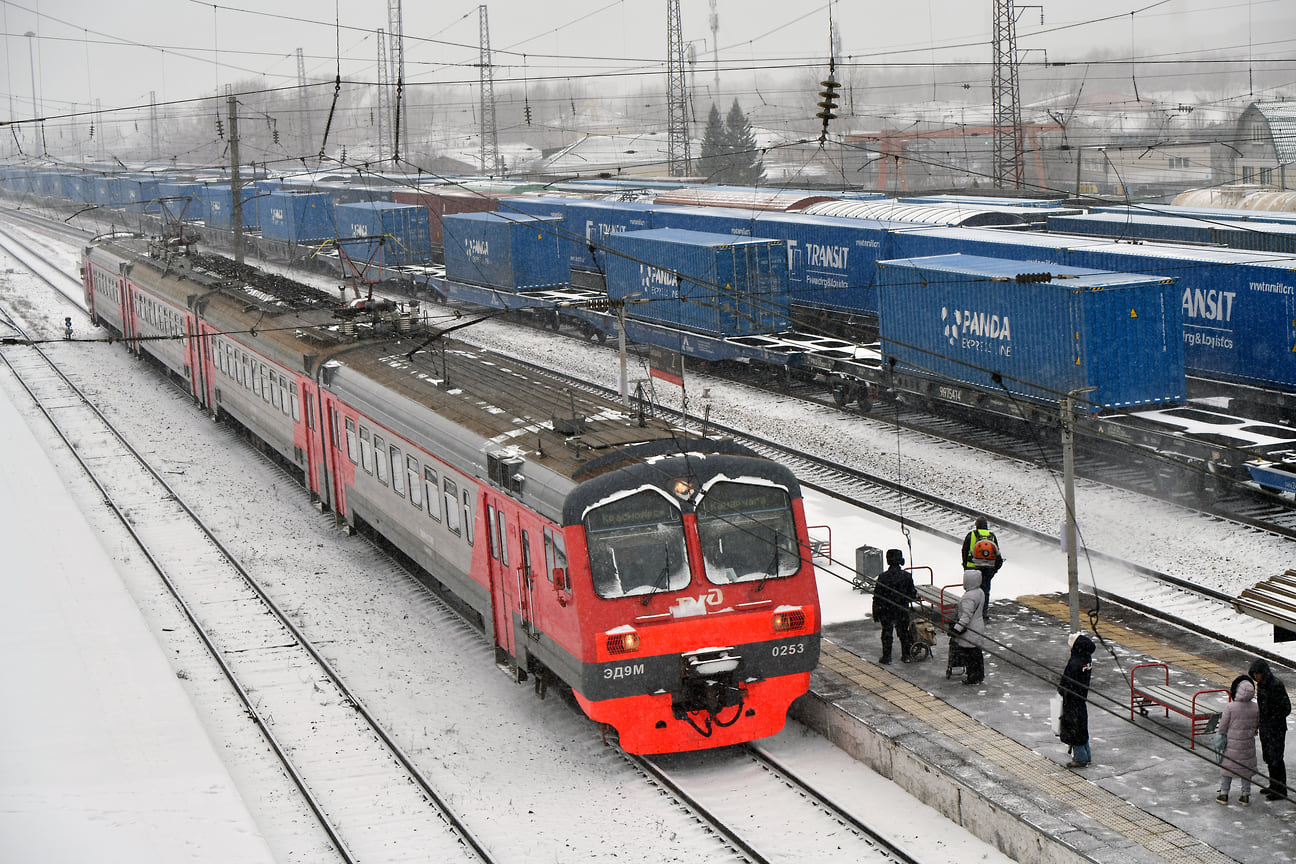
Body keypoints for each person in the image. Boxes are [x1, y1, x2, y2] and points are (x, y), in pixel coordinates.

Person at [1248, 658, 1291, 801]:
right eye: (1254, 674)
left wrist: (1273, 719)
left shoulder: (1276, 685)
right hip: (1265, 728)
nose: (1255, 677)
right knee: (1268, 757)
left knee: (1276, 758)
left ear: (1263, 673)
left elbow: (1286, 708)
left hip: (1276, 728)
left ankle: (1281, 789)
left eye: (1257, 673)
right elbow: (1261, 708)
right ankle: (1273, 785)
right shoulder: (1261, 686)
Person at [1216, 677, 1260, 805]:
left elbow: (1223, 726)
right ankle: (1245, 795)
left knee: (1228, 767)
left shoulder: (1230, 707)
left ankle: (1224, 793)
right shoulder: (1255, 708)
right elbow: (1256, 724)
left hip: (1231, 744)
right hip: (1247, 744)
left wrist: (1221, 735)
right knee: (1246, 770)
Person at [872, 548, 919, 665]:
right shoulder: (907, 576)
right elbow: (912, 594)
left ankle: (887, 657)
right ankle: (906, 655)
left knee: (887, 633)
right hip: (902, 609)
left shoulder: (883, 577)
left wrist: (876, 612)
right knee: (903, 632)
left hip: (886, 610)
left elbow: (877, 597)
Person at [1058, 632, 1095, 769]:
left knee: (1073, 727)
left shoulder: (1074, 662)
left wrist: (1062, 692)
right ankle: (1087, 753)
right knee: (1082, 725)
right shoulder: (1087, 659)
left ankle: (1080, 758)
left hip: (1072, 699)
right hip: (1081, 698)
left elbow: (1066, 683)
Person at [961, 516, 1002, 620]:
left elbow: (964, 551)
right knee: (985, 591)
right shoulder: (991, 536)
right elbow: (998, 556)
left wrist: (965, 566)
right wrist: (994, 570)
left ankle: (970, 612)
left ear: (976, 525)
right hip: (988, 569)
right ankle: (983, 613)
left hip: (972, 568)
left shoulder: (971, 535)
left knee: (971, 591)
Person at [950, 568, 986, 685]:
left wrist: (956, 629)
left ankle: (972, 676)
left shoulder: (968, 597)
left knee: (970, 655)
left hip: (970, 630)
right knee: (977, 653)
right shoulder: (980, 592)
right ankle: (979, 675)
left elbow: (966, 616)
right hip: (978, 626)